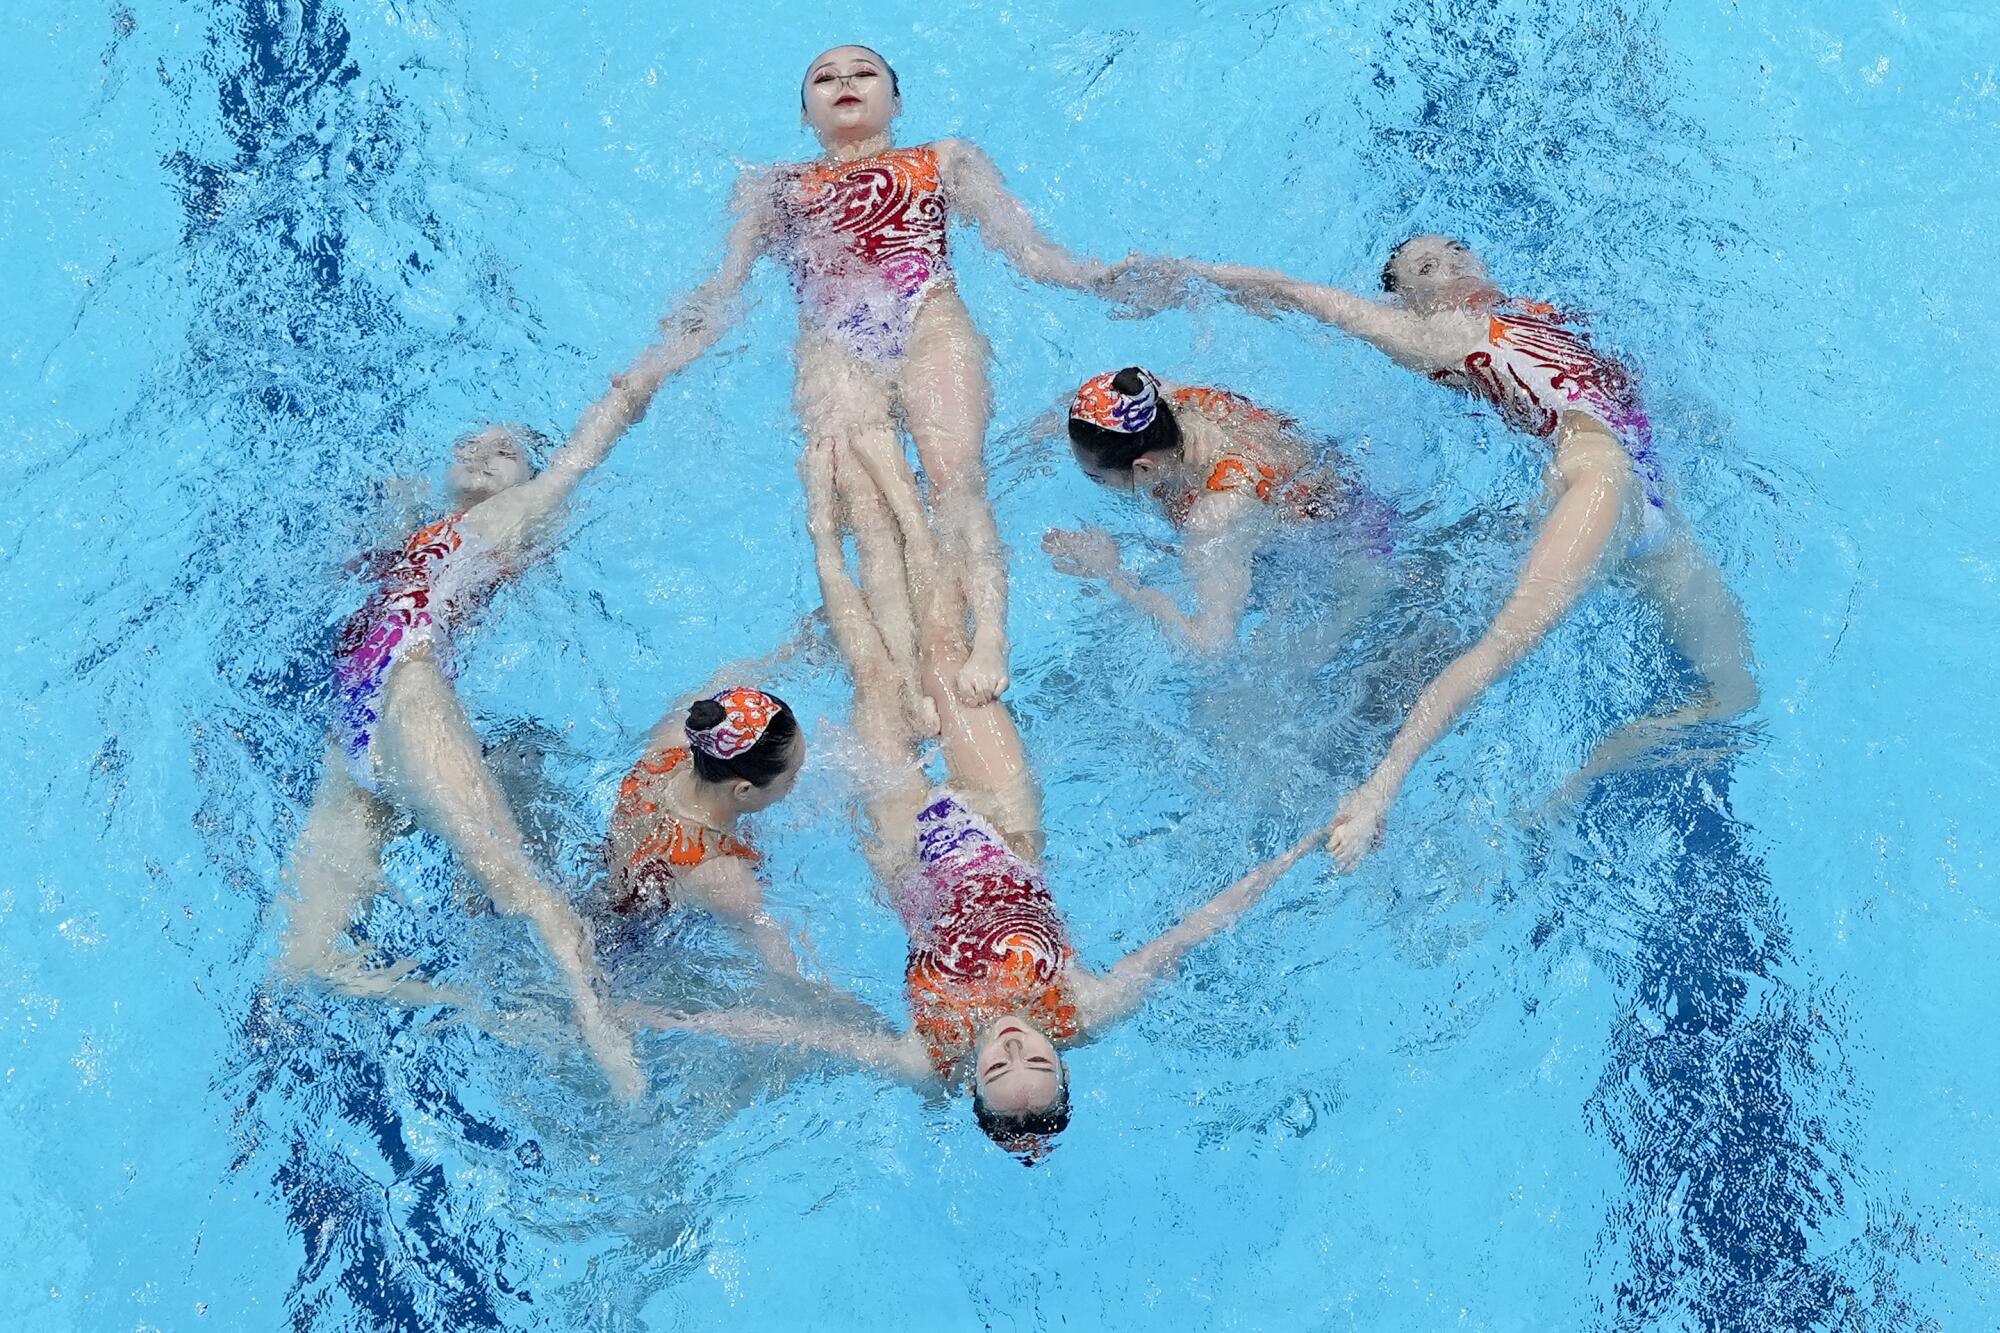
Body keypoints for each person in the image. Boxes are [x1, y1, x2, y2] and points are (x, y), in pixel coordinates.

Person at [623, 435, 1327, 1157]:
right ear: (1064, 1063)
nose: (1016, 1044)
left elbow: (802, 1034)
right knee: (944, 656)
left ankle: (850, 498)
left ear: (970, 1083)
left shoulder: (924, 1059)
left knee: (876, 677)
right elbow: (1192, 931)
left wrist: (663, 1019)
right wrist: (1304, 847)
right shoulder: (1087, 1009)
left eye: (997, 1066)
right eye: (1039, 1060)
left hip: (904, 849)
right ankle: (922, 486)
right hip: (1005, 822)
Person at [1161, 235, 1755, 868]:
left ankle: (1567, 782)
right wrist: (1164, 272)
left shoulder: (1527, 311)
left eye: (1454, 250)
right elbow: (1292, 292)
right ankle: (1450, 794)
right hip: (1601, 488)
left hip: (1655, 505)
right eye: (1425, 269)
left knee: (1732, 697)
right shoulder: (1441, 340)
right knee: (1501, 644)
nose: (1451, 264)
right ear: (1408, 301)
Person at [649, 42, 1146, 733]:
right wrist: (676, 339)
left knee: (954, 478)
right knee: (869, 513)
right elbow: (725, 286)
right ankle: (908, 675)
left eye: (863, 73)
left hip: (928, 320)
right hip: (834, 344)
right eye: (823, 77)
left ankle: (989, 637)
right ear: (805, 112)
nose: (844, 81)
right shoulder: (772, 188)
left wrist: (1098, 278)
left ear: (897, 101)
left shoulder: (942, 159)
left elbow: (1032, 253)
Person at [276, 324, 695, 1101]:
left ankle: (617, 1061)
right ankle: (507, 1018)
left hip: (408, 692)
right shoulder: (413, 531)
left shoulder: (510, 519)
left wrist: (657, 364)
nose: (479, 452)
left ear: (524, 482)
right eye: (471, 442)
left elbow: (592, 441)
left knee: (516, 883)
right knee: (306, 960)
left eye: (504, 452)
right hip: (354, 739)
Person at [1043, 365, 1386, 652]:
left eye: (1097, 478)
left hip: (1352, 566)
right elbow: (1080, 408)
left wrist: (1110, 574)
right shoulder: (1159, 401)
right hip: (1338, 489)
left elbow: (1209, 647)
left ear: (1143, 468)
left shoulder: (1214, 515)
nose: (1094, 482)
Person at [603, 685, 809, 981]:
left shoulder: (667, 747)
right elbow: (782, 971)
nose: (795, 786)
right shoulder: (723, 874)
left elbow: (722, 689)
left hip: (605, 889)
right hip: (631, 964)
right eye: (791, 778)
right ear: (743, 790)